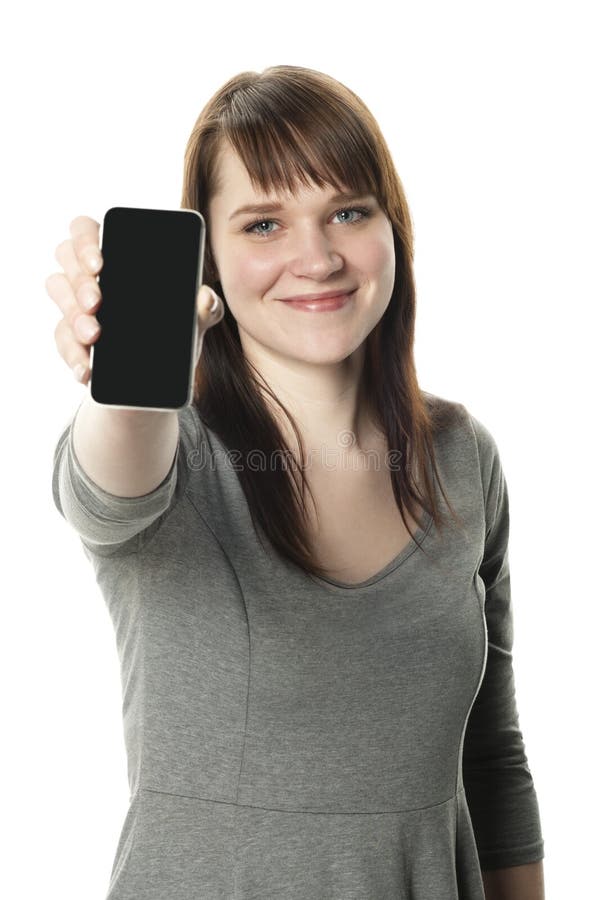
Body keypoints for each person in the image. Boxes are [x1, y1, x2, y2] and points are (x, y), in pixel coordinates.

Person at [48, 65, 545, 899]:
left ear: (393, 226)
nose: (316, 258)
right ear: (206, 251)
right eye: (263, 224)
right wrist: (129, 370)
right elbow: (111, 481)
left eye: (348, 211)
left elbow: (493, 759)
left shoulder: (463, 455)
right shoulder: (172, 452)